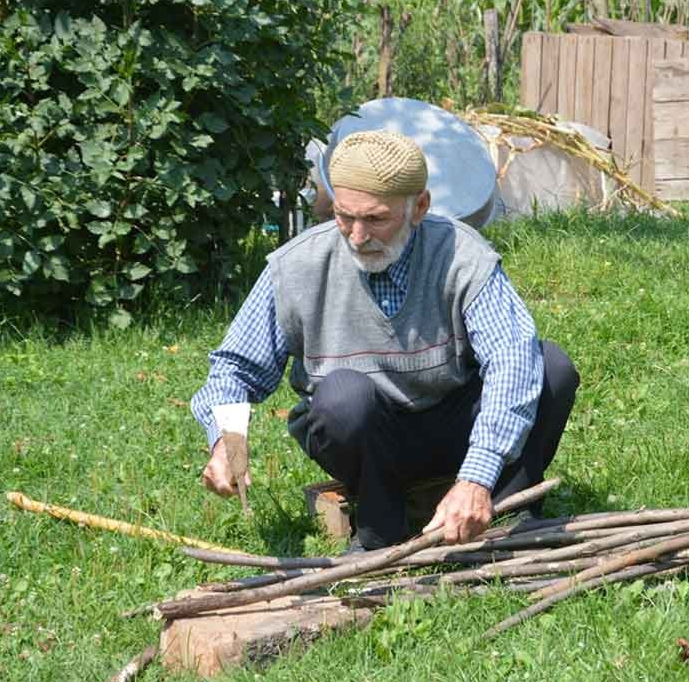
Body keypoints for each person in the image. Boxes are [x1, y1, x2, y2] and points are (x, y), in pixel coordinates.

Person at [191, 131, 579, 550]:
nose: (357, 236)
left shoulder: (463, 257)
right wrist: (227, 441)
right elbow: (234, 370)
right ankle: (380, 530)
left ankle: (504, 515)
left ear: (420, 208)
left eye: (376, 219)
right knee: (344, 396)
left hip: (454, 426)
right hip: (364, 435)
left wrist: (477, 475)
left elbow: (511, 360)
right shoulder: (296, 267)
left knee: (549, 368)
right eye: (344, 216)